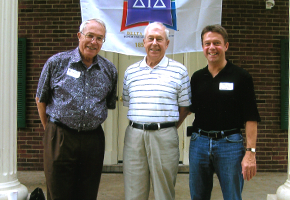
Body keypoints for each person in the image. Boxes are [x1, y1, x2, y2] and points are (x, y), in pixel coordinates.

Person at [35, 18, 117, 200]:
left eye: (99, 38)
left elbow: (109, 103)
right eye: (90, 36)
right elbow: (41, 99)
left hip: (93, 140)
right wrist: (50, 129)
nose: (94, 42)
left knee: (87, 193)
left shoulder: (109, 70)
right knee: (58, 192)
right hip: (61, 137)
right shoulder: (56, 63)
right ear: (79, 36)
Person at [189, 24, 261, 200]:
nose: (212, 48)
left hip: (230, 144)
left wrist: (250, 153)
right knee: (198, 196)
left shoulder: (241, 77)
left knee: (232, 196)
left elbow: (251, 117)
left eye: (216, 43)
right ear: (202, 47)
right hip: (199, 143)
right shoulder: (197, 78)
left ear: (226, 46)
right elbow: (188, 109)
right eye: (207, 43)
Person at [122, 22, 191, 200]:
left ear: (167, 44)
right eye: (150, 39)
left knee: (164, 192)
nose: (154, 43)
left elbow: (185, 107)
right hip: (134, 136)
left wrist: (167, 127)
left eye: (159, 39)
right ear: (143, 42)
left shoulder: (180, 71)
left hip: (165, 136)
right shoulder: (130, 72)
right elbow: (130, 103)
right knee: (133, 191)